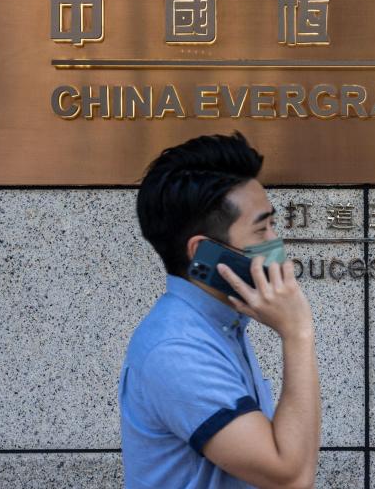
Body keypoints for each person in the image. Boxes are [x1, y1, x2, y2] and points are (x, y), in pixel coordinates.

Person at [118, 131, 320, 489]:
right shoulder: (178, 349)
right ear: (205, 255)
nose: (277, 244)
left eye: (274, 225)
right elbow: (290, 476)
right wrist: (298, 333)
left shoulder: (221, 324)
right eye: (262, 230)